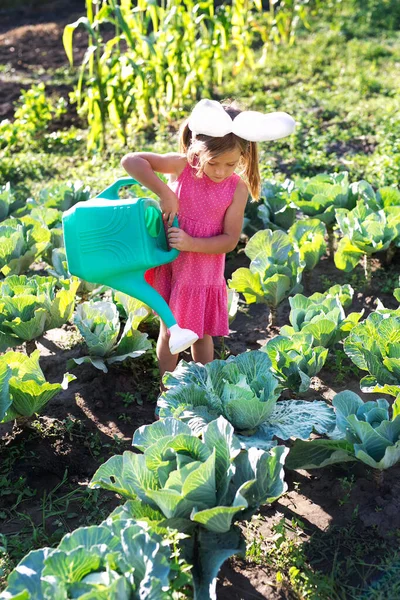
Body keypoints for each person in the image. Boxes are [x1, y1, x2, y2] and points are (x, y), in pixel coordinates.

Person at [121, 98, 295, 385]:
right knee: (170, 330)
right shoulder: (181, 167)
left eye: (231, 163)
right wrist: (166, 193)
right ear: (196, 149)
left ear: (244, 155)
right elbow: (131, 162)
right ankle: (167, 388)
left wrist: (191, 243)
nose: (220, 171)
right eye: (213, 162)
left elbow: (229, 241)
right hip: (173, 266)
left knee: (201, 334)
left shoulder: (236, 189)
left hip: (203, 273)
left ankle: (205, 385)